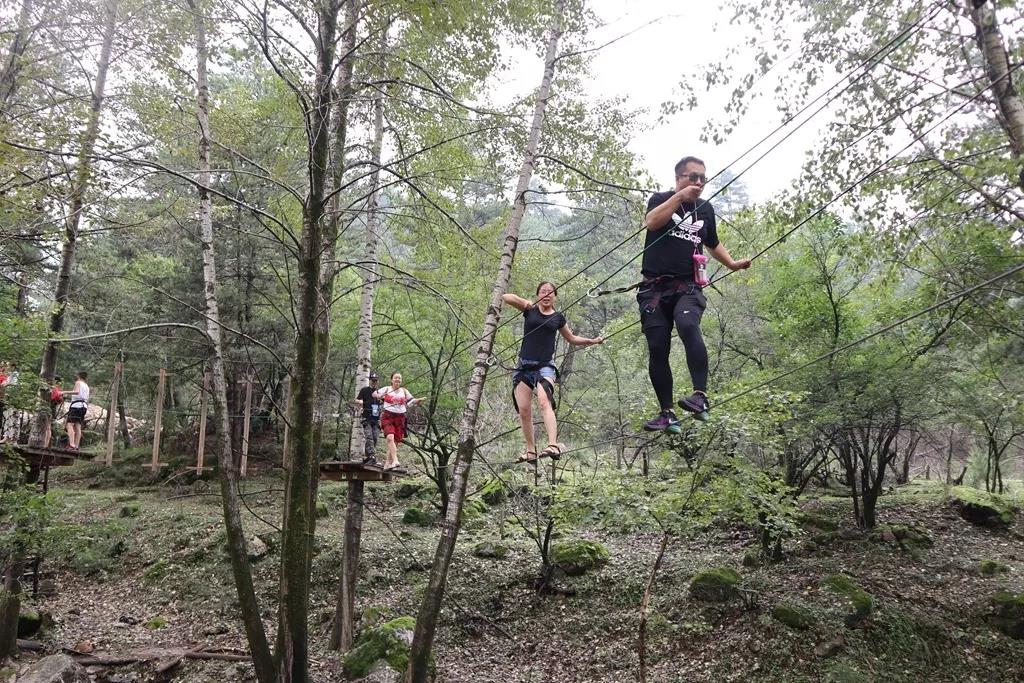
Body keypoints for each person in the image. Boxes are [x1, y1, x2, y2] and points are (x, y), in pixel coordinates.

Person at [639, 156, 750, 431]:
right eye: (693, 177)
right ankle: (667, 414)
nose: (699, 183)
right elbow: (652, 222)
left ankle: (700, 396)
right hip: (653, 288)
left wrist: (732, 263)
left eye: (702, 178)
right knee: (657, 347)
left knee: (688, 324)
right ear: (679, 178)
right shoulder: (661, 199)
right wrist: (679, 198)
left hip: (688, 285)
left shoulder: (705, 209)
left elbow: (712, 243)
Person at [502, 282, 603, 463]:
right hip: (524, 367)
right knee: (524, 410)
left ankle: (553, 444)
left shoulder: (558, 317)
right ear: (538, 294)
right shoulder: (530, 310)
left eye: (550, 292)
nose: (546, 295)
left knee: (543, 401)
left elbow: (571, 338)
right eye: (543, 292)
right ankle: (530, 451)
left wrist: (592, 341)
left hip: (545, 366)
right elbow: (506, 297)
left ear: (555, 296)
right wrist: (525, 302)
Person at [373, 372, 423, 471]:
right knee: (390, 438)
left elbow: (411, 401)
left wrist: (418, 401)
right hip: (388, 416)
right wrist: (380, 396)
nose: (397, 380)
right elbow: (374, 393)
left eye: (399, 378)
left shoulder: (404, 391)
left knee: (395, 441)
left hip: (400, 417)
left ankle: (387, 464)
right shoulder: (387, 389)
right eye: (396, 378)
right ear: (391, 380)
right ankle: (395, 460)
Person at [354, 371, 382, 464]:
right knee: (369, 436)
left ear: (378, 381)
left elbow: (386, 401)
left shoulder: (380, 392)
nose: (374, 382)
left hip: (376, 418)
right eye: (372, 380)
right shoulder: (365, 390)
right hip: (366, 417)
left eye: (376, 380)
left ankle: (368, 456)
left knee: (375, 437)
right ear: (370, 381)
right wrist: (360, 402)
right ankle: (372, 456)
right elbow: (357, 400)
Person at [64, 371, 90, 450]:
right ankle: (76, 445)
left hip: (76, 406)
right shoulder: (86, 386)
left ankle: (72, 445)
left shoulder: (78, 382)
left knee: (69, 425)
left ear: (79, 376)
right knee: (77, 426)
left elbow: (77, 392)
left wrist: (64, 392)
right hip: (84, 406)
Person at [43, 377, 64, 448]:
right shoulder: (58, 389)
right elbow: (59, 399)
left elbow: (55, 397)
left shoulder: (54, 388)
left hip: (50, 407)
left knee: (48, 427)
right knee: (49, 426)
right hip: (53, 408)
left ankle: (46, 445)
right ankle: (47, 444)